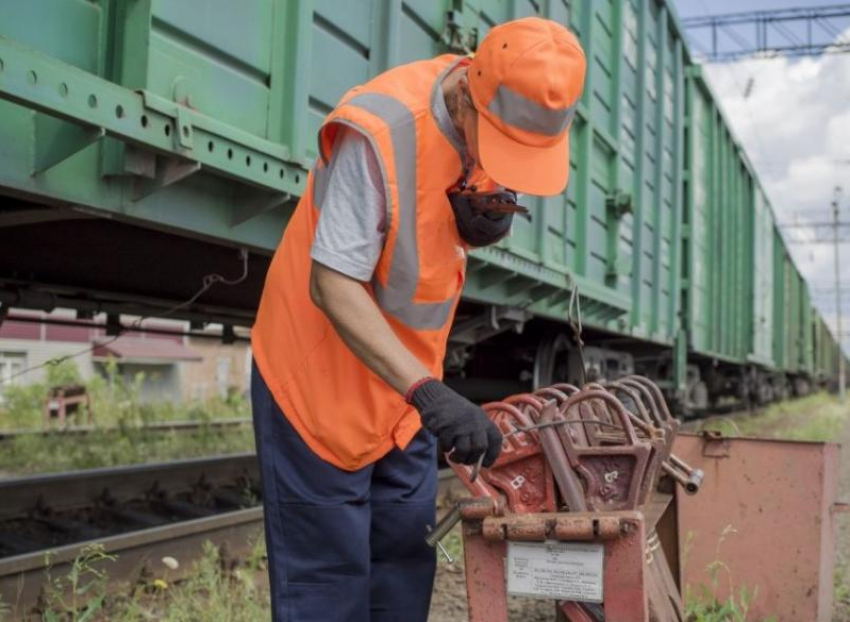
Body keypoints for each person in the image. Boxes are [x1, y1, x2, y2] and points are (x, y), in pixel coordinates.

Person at [251, 16, 586, 622]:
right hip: (319, 382)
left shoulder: (486, 104)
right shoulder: (380, 132)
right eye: (504, 148)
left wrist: (478, 218)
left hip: (401, 395)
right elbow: (332, 283)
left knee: (404, 569)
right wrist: (430, 393)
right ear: (470, 103)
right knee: (328, 585)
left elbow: (424, 234)